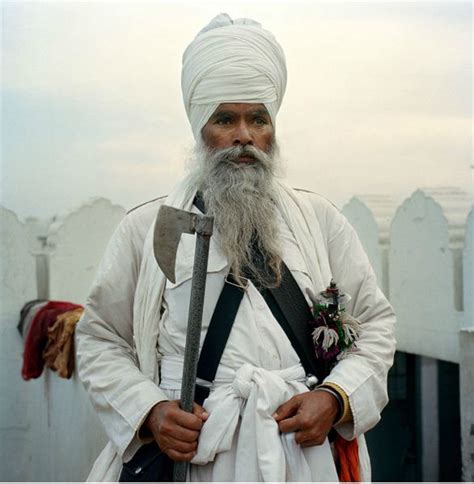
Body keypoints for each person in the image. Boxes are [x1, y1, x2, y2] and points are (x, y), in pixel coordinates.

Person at [76, 13, 396, 482]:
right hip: (197, 460)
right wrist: (151, 412)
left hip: (303, 460)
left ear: (272, 129)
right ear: (199, 129)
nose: (244, 136)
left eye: (258, 119)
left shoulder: (319, 221)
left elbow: (375, 325)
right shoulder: (145, 228)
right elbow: (101, 338)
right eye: (225, 118)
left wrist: (334, 398)